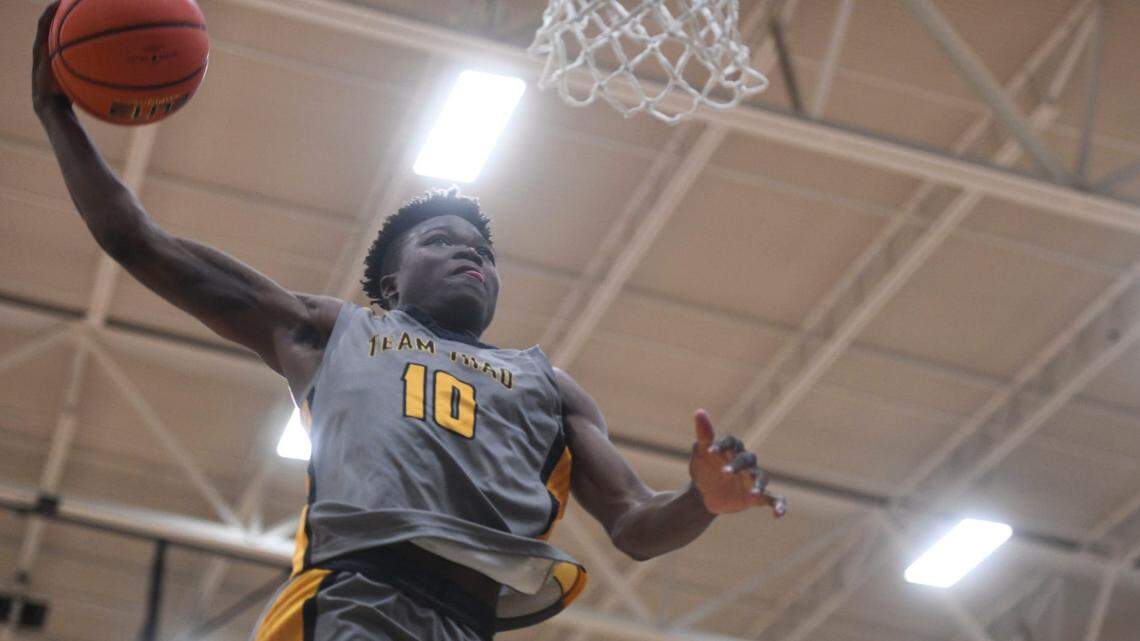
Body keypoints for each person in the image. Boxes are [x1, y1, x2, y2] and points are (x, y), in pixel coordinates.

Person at [31, 3, 784, 640]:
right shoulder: (331, 332)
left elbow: (634, 523)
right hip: (357, 599)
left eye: (483, 250)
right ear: (391, 279)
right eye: (442, 241)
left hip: (468, 620)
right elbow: (138, 241)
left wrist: (700, 501)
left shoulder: (549, 385)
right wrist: (55, 112)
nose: (471, 254)